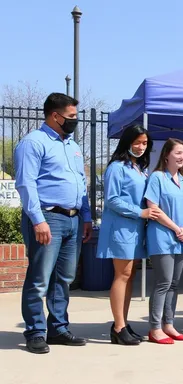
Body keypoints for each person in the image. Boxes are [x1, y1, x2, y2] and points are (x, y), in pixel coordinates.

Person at [14, 93, 93, 354]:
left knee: (64, 278)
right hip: (48, 218)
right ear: (54, 115)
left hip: (73, 219)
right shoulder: (33, 143)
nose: (75, 121)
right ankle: (35, 331)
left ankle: (58, 328)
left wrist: (86, 216)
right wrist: (38, 220)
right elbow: (26, 184)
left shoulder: (72, 145)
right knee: (39, 278)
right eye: (71, 117)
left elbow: (82, 182)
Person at [97, 125, 160, 345]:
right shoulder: (117, 167)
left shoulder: (139, 168)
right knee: (122, 275)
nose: (141, 147)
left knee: (129, 276)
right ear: (127, 142)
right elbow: (112, 199)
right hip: (122, 228)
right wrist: (140, 212)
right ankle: (118, 326)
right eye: (137, 142)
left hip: (135, 230)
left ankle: (122, 322)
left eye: (145, 143)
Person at [144, 139, 183, 344]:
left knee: (175, 284)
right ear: (166, 155)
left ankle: (169, 324)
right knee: (163, 282)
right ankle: (155, 327)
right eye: (178, 153)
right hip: (163, 237)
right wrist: (176, 228)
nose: (182, 157)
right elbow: (153, 208)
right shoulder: (157, 178)